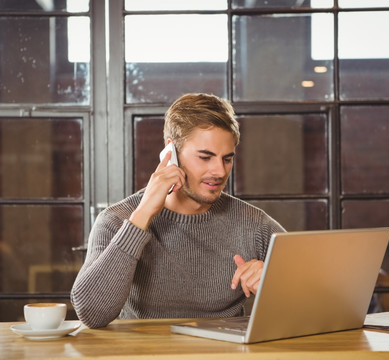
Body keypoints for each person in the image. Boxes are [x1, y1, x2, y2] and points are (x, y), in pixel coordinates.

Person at [71, 93, 286, 328]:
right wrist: (142, 217)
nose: (220, 171)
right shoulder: (116, 220)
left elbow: (323, 297)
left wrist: (276, 280)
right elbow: (91, 314)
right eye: (205, 157)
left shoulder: (255, 225)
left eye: (227, 159)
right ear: (171, 152)